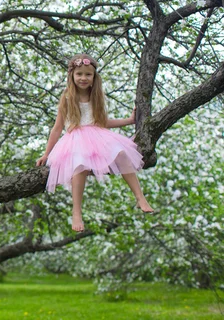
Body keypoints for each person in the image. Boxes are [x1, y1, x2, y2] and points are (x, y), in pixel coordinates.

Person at [36, 54, 154, 232]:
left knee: (121, 154)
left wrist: (129, 121)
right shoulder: (67, 97)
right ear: (72, 76)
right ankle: (76, 212)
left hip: (98, 137)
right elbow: (57, 127)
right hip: (75, 139)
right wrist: (46, 153)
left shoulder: (96, 96)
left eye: (88, 75)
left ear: (94, 78)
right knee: (80, 165)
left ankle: (140, 197)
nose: (83, 78)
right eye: (79, 74)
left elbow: (102, 122)